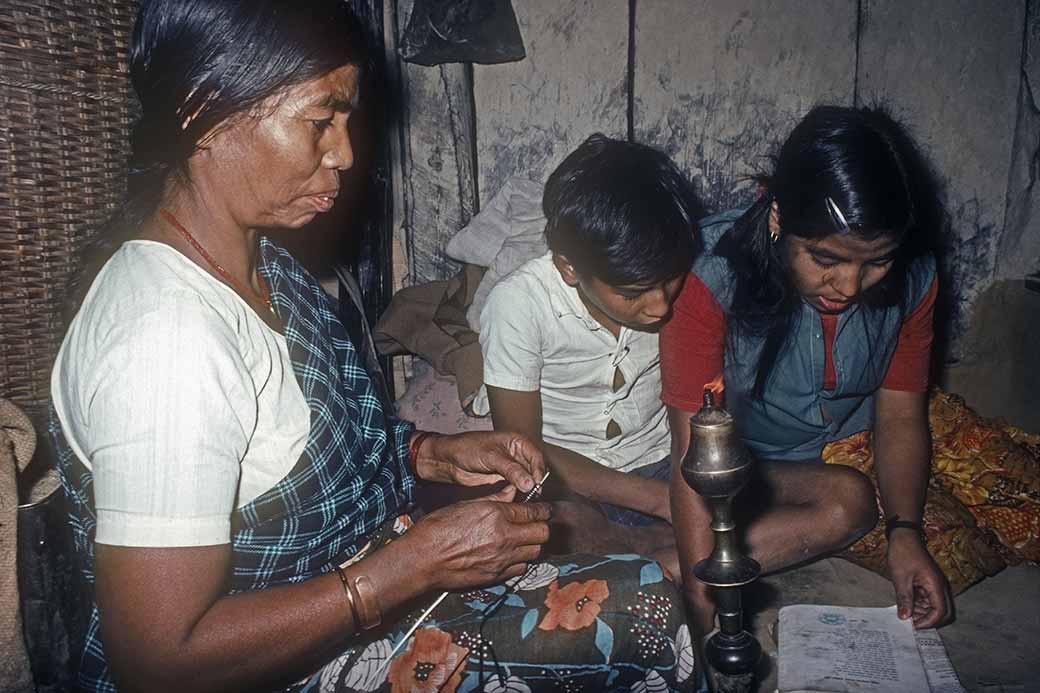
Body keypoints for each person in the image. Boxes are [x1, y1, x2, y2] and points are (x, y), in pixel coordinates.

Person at [49, 2, 697, 691]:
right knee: (642, 612)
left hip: (362, 588)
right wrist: (406, 569)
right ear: (202, 108)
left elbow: (320, 436)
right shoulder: (165, 341)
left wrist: (436, 452)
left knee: (650, 580)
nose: (347, 152)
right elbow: (159, 659)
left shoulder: (259, 257)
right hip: (281, 666)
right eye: (319, 121)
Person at [660, 106, 953, 633]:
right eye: (824, 258)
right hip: (735, 466)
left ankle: (652, 551)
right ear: (777, 217)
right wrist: (707, 623)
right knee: (828, 502)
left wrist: (905, 533)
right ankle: (672, 555)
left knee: (863, 501)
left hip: (840, 458)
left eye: (877, 261)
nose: (849, 285)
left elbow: (902, 415)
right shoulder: (708, 274)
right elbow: (693, 455)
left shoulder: (916, 277)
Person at [473, 134, 703, 578]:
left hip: (666, 466)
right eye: (632, 292)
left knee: (840, 500)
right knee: (543, 525)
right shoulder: (519, 303)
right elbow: (522, 450)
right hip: (568, 484)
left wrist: (683, 489)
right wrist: (661, 501)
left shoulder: (686, 280)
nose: (660, 307)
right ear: (569, 268)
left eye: (669, 280)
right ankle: (661, 553)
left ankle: (654, 559)